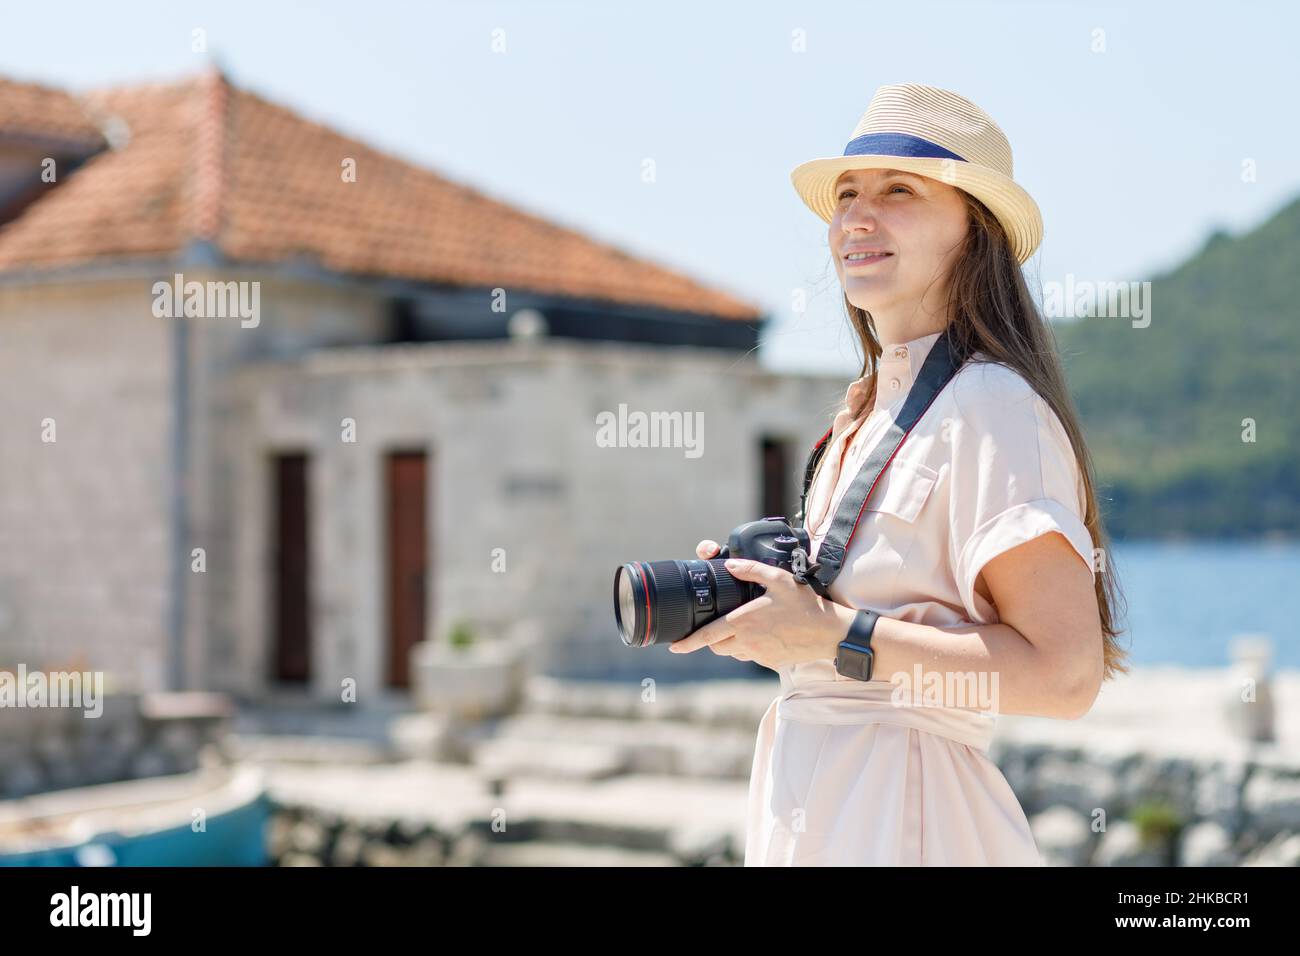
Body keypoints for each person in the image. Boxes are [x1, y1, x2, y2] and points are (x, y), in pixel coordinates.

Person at [668, 83, 1129, 865]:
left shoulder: (992, 404)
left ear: (974, 229)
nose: (856, 216)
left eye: (900, 190)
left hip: (915, 828)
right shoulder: (859, 415)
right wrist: (776, 619)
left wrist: (834, 633)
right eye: (846, 193)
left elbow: (1065, 678)